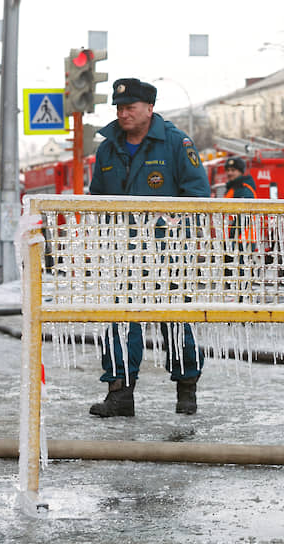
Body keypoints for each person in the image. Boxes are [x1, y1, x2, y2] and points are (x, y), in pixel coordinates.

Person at [88, 77, 211, 418]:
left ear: (150, 109)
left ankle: (187, 390)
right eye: (119, 108)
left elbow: (198, 195)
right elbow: (97, 199)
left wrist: (174, 233)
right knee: (120, 321)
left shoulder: (174, 143)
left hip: (168, 252)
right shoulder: (107, 148)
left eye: (130, 108)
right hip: (123, 252)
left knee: (174, 320)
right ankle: (120, 394)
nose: (123, 114)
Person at [221, 157, 257, 298]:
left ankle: (242, 306)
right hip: (237, 240)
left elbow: (242, 217)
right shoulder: (233, 188)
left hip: (242, 240)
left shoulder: (242, 189)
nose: (230, 173)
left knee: (240, 277)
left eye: (233, 170)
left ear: (240, 171)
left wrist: (232, 238)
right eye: (228, 170)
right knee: (236, 279)